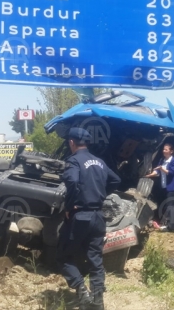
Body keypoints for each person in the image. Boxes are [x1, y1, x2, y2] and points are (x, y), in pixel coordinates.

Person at [58, 128, 121, 310]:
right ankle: (98, 300)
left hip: (80, 216)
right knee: (95, 258)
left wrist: (69, 206)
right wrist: (100, 194)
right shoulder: (100, 162)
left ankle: (81, 291)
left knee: (63, 256)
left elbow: (72, 182)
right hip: (98, 216)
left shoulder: (74, 161)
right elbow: (116, 180)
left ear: (72, 142)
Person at [145, 143, 174, 232]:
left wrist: (161, 169)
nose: (163, 151)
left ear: (171, 151)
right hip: (163, 186)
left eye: (166, 149)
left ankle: (172, 227)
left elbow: (171, 172)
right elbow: (157, 170)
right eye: (163, 149)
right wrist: (150, 175)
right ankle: (164, 223)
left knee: (171, 206)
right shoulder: (162, 160)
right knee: (163, 204)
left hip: (171, 188)